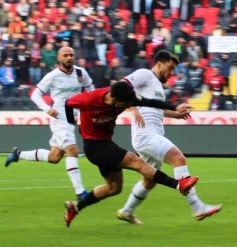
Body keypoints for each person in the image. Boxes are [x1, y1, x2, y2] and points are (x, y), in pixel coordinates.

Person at [62, 82, 197, 227]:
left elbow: (149, 102)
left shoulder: (126, 97)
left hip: (105, 143)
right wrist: (72, 123)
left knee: (114, 188)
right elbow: (68, 103)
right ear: (114, 100)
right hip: (95, 146)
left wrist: (175, 107)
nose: (128, 106)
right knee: (137, 162)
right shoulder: (89, 99)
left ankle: (76, 207)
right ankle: (178, 184)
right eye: (125, 104)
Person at [117, 51, 221, 225]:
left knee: (149, 180)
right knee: (178, 158)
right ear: (159, 64)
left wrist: (176, 115)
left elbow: (156, 109)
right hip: (146, 135)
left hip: (151, 135)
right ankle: (197, 207)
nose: (172, 73)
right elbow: (121, 86)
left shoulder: (156, 86)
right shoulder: (144, 74)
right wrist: (132, 108)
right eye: (170, 68)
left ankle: (127, 211)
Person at [5, 47, 93, 201]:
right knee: (72, 150)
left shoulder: (81, 73)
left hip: (72, 119)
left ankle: (18, 154)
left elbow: (91, 91)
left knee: (54, 157)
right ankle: (80, 193)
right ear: (59, 58)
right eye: (65, 55)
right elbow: (35, 93)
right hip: (59, 119)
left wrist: (89, 108)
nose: (69, 58)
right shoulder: (53, 76)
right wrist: (47, 109)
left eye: (71, 55)